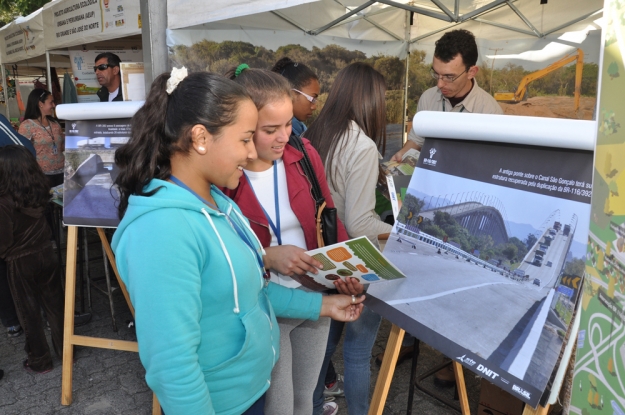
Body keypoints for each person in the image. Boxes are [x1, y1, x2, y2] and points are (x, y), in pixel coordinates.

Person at [111, 68, 365, 415]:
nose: (251, 153)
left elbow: (250, 290)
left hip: (249, 393)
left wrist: (323, 306)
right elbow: (173, 367)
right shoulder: (162, 230)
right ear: (200, 138)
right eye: (246, 138)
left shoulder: (219, 203)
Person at [224, 65, 361, 415]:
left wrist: (348, 270)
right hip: (267, 303)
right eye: (270, 129)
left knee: (306, 400)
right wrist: (268, 254)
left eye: (288, 125)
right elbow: (224, 255)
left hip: (315, 291)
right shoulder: (225, 175)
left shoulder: (303, 155)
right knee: (280, 406)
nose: (284, 137)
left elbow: (328, 214)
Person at [306, 62, 393, 415]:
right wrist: (399, 233)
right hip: (356, 266)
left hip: (322, 261)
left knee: (320, 351)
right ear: (369, 100)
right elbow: (360, 222)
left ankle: (311, 408)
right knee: (357, 352)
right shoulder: (362, 145)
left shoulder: (317, 132)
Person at [0, 145, 65, 374]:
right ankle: (67, 353)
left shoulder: (4, 201)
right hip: (47, 253)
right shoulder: (38, 189)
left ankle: (40, 361)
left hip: (20, 262)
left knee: (29, 314)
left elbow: (4, 240)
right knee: (56, 306)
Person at [392, 29, 503, 161]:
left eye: (449, 77)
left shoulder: (490, 112)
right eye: (436, 74)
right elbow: (417, 139)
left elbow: (490, 162)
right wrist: (402, 154)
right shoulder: (428, 98)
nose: (439, 84)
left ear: (471, 72)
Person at [19, 88, 65, 188]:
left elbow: (62, 146)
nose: (54, 106)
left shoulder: (55, 124)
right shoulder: (27, 126)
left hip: (62, 173)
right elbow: (22, 153)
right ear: (40, 103)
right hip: (41, 176)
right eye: (51, 102)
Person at [271, 57, 320, 137]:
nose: (314, 107)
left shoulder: (301, 130)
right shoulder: (281, 137)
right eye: (312, 98)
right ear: (290, 94)